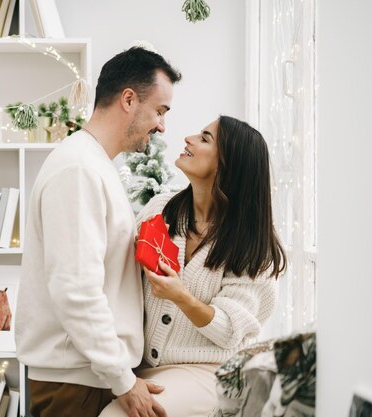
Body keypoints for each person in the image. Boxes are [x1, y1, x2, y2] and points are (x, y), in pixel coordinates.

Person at [15, 46, 182, 417]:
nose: (162, 126)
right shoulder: (78, 169)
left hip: (90, 376)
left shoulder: (94, 164)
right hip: (76, 384)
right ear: (128, 99)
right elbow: (75, 289)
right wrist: (122, 379)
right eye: (160, 110)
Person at [99, 115, 287, 417]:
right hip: (140, 365)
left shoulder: (254, 248)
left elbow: (229, 330)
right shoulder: (162, 208)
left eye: (204, 138)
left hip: (207, 372)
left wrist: (180, 296)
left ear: (229, 164)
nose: (188, 138)